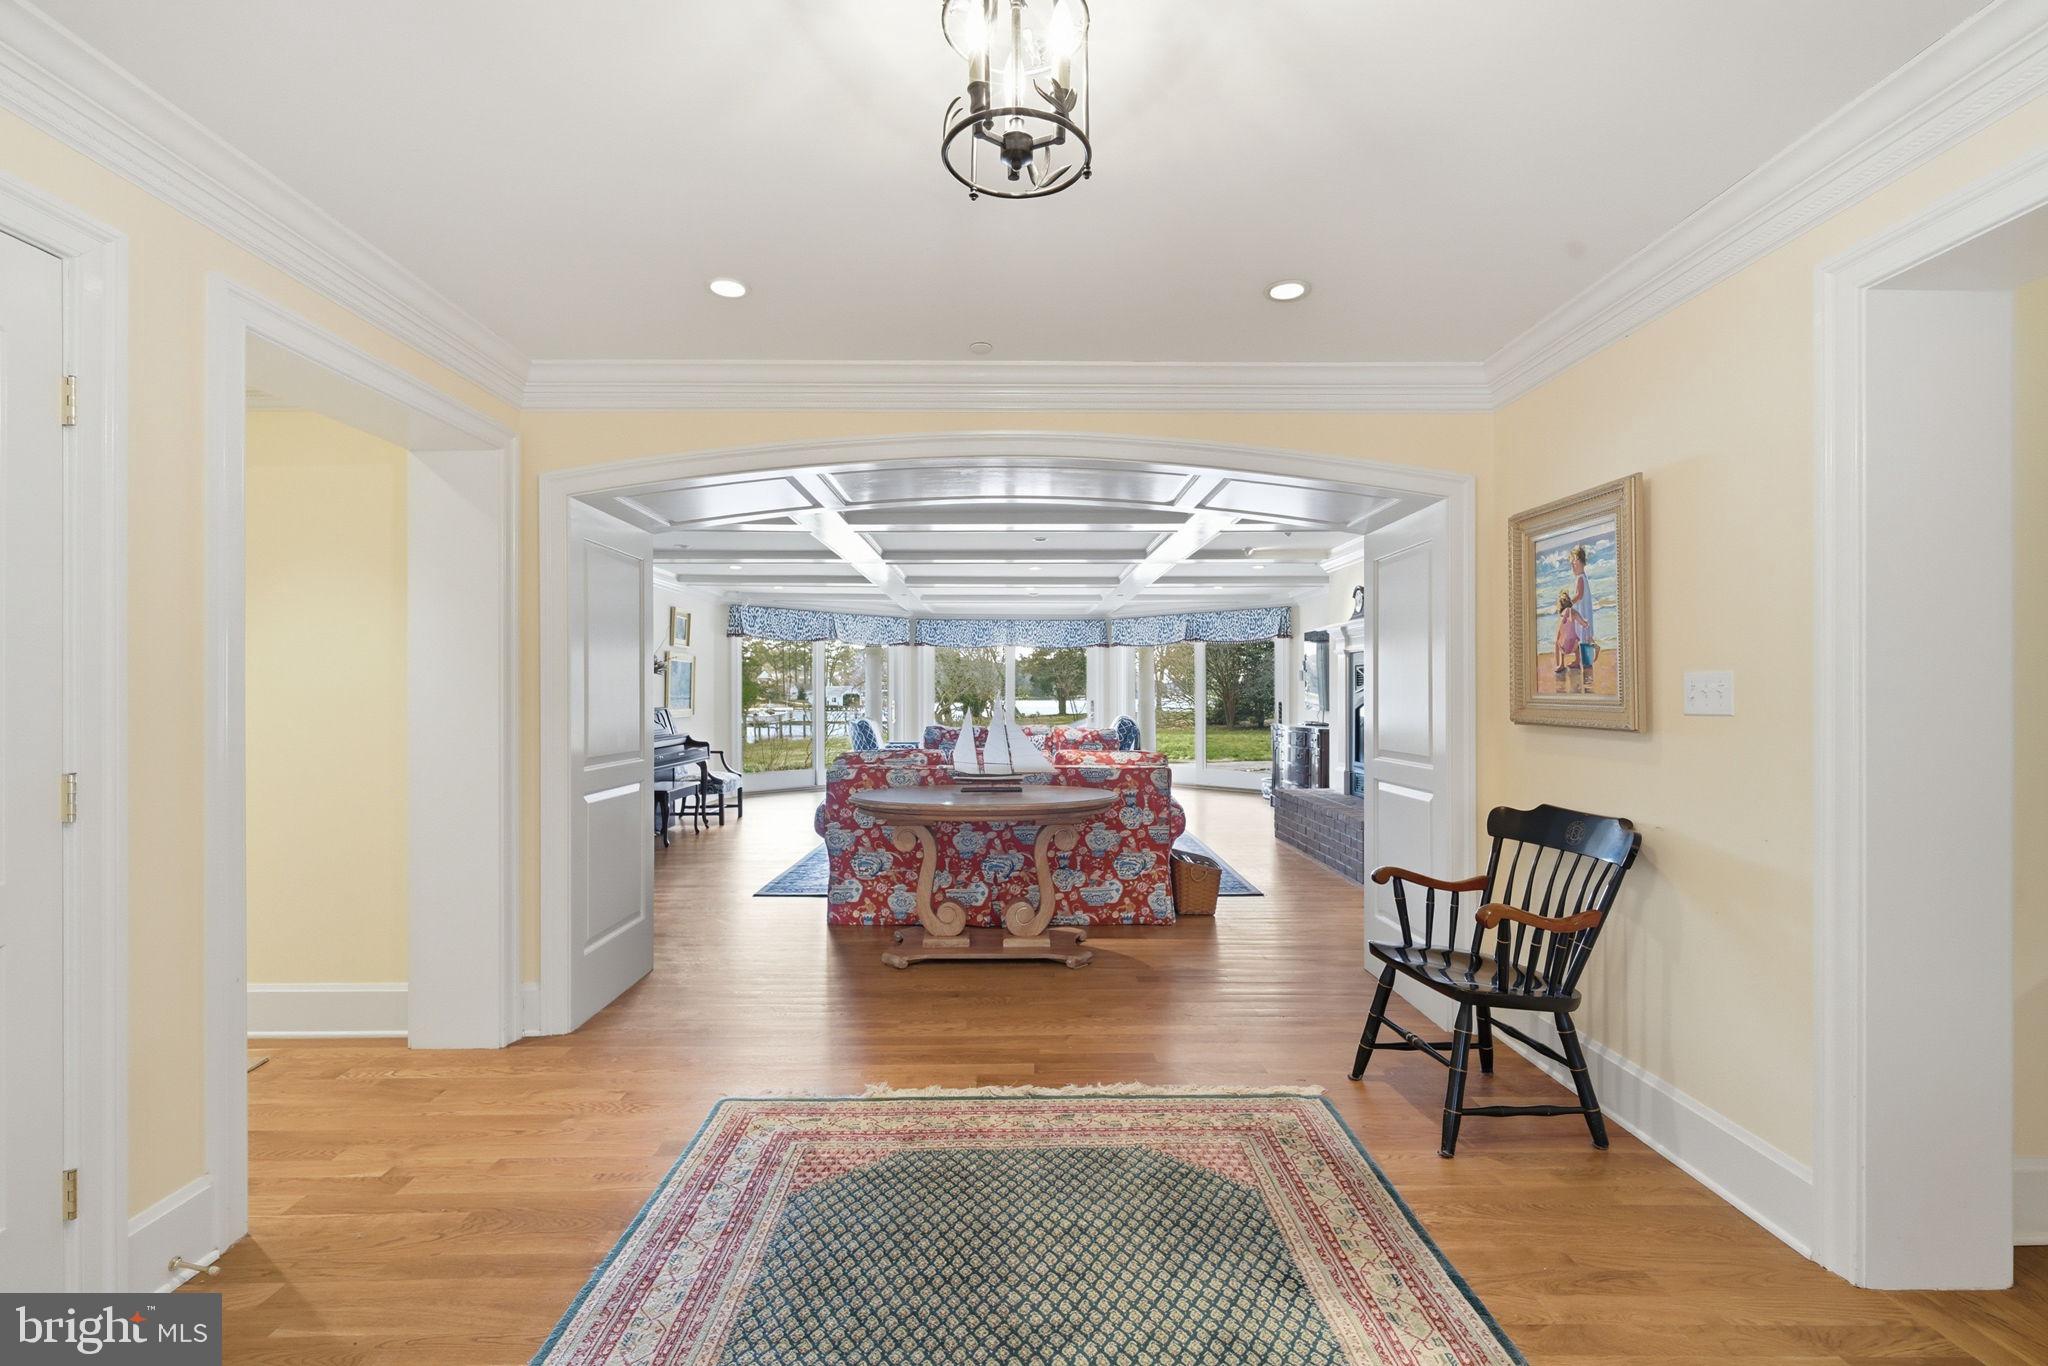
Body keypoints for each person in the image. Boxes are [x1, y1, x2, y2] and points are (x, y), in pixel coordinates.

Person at [1570, 544, 1599, 686]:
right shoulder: (1581, 577)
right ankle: (1577, 660)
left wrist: (1569, 602)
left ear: (1581, 562)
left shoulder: (1581, 578)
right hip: (1583, 611)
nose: (1572, 564)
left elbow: (1579, 595)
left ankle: (1587, 663)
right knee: (1579, 635)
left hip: (1583, 613)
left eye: (1574, 560)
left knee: (1583, 637)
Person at [1552, 588, 1587, 686]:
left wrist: (1558, 641)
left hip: (1564, 647)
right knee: (1577, 642)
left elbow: (1559, 632)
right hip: (1573, 645)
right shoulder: (1574, 612)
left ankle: (1560, 664)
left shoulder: (1562, 615)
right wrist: (1586, 624)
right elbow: (1583, 623)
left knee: (1558, 642)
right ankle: (1577, 661)